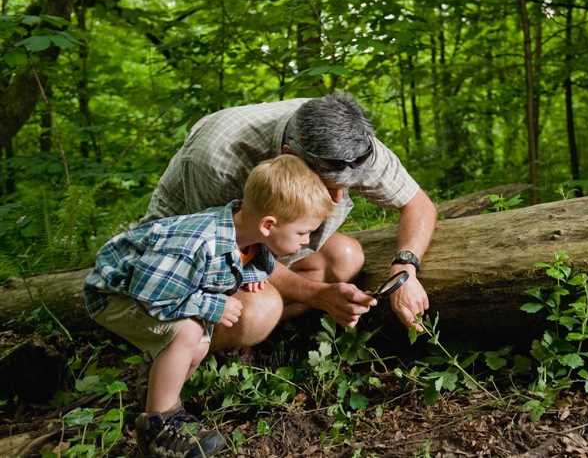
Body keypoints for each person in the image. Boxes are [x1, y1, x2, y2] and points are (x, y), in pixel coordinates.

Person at [84, 155, 335, 457]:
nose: (307, 241)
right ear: (269, 224)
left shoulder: (250, 239)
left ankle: (167, 406)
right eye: (302, 232)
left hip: (160, 290)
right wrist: (213, 306)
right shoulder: (198, 242)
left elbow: (250, 262)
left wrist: (251, 276)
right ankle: (157, 427)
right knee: (187, 332)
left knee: (200, 344)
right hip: (115, 295)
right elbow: (150, 292)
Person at [143, 92, 437, 339]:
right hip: (187, 261)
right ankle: (178, 346)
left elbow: (418, 205)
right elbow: (224, 253)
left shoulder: (350, 139)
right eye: (327, 185)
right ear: (289, 155)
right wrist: (316, 294)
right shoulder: (220, 158)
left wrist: (405, 269)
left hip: (262, 244)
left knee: (345, 256)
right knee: (258, 311)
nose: (337, 199)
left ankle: (258, 334)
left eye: (348, 187)